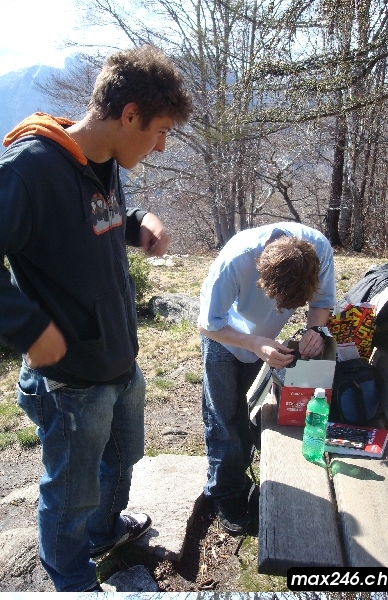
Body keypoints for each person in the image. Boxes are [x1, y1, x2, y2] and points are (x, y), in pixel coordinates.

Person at [0, 45, 191, 591]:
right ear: (129, 115)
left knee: (125, 458)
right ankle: (73, 581)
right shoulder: (30, 169)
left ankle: (104, 530)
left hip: (118, 359)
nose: (161, 146)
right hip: (71, 380)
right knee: (70, 493)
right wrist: (29, 329)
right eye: (159, 131)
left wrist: (136, 222)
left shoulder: (103, 160)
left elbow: (88, 219)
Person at [197, 222, 336, 536]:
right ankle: (223, 492)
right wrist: (253, 343)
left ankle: (238, 477)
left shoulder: (320, 251)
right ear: (261, 273)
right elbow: (208, 323)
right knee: (223, 416)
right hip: (224, 335)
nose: (281, 311)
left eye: (290, 307)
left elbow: (322, 302)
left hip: (262, 341)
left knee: (246, 412)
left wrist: (315, 330)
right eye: (278, 303)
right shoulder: (237, 259)